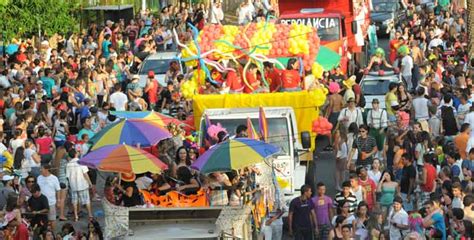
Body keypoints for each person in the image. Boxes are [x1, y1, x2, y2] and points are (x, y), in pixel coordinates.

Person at [66, 149, 93, 221]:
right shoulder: (81, 162)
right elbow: (85, 174)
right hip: (82, 184)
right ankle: (90, 215)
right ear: (75, 154)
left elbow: (68, 176)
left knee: (74, 201)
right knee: (86, 200)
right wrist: (90, 183)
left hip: (73, 185)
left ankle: (76, 216)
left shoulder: (68, 164)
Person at [36, 164, 60, 231]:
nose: (40, 170)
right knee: (42, 220)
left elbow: (58, 190)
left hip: (51, 203)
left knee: (52, 219)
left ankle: (52, 233)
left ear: (47, 170)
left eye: (42, 169)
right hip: (41, 204)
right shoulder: (39, 178)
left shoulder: (54, 178)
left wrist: (58, 201)